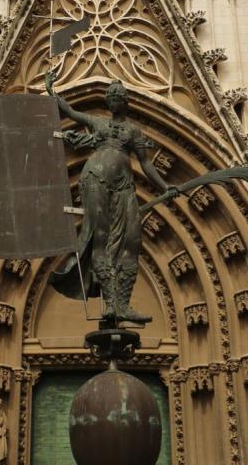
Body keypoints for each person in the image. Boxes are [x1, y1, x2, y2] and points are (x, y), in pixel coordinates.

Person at [45, 69, 178, 324]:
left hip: (124, 186)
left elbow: (146, 164)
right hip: (95, 179)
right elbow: (70, 112)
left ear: (125, 101)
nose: (114, 98)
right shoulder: (99, 123)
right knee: (100, 238)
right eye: (111, 96)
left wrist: (164, 187)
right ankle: (110, 304)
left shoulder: (133, 132)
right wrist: (52, 90)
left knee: (132, 240)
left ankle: (123, 305)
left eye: (118, 95)